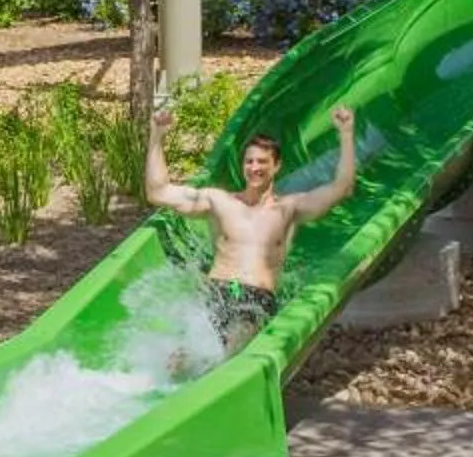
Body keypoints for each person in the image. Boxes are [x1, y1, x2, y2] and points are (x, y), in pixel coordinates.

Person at [143, 104, 359, 349]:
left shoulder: (289, 208)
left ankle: (224, 365)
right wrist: (157, 136)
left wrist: (346, 134)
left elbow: (342, 188)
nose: (254, 168)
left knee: (239, 336)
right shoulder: (219, 201)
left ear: (276, 166)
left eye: (262, 162)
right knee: (182, 355)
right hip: (221, 290)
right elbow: (158, 192)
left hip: (255, 298)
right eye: (249, 162)